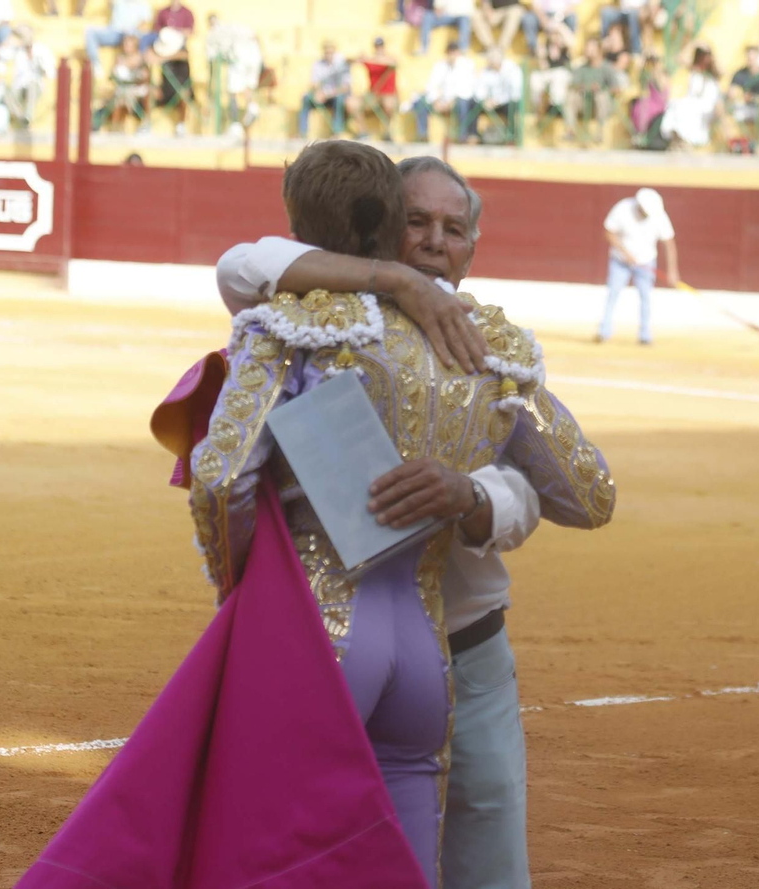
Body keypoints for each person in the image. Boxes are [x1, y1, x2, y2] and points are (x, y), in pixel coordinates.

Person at [212, 155, 563, 889]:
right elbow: (249, 260)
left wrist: (472, 494)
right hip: (413, 633)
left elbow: (223, 476)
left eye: (454, 228)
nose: (435, 241)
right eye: (416, 222)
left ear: (473, 245)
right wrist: (395, 281)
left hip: (448, 637)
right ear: (378, 227)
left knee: (460, 835)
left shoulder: (319, 324)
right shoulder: (476, 346)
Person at [597, 187, 678, 345]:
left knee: (645, 296)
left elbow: (669, 244)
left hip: (646, 262)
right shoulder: (623, 208)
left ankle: (645, 335)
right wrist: (625, 252)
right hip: (620, 261)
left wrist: (673, 271)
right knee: (613, 294)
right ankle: (604, 331)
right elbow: (608, 232)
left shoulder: (659, 216)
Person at [204, 13, 261, 135]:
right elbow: (255, 36)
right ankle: (252, 107)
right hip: (254, 56)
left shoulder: (213, 35)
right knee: (247, 87)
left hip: (238, 59)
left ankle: (235, 124)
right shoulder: (233, 26)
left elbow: (211, 58)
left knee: (232, 92)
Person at [659, 42, 720, 149]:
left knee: (686, 108)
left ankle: (685, 139)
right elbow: (678, 58)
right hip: (692, 101)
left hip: (706, 105)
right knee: (675, 105)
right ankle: (678, 138)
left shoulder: (714, 72)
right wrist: (694, 43)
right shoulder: (693, 69)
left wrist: (710, 50)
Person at [411, 42, 476, 142]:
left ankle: (462, 136)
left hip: (457, 100)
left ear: (458, 53)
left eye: (454, 52)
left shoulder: (467, 65)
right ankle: (422, 134)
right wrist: (436, 99)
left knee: (464, 103)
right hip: (441, 100)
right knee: (420, 102)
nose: (452, 55)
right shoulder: (440, 65)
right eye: (450, 52)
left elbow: (467, 89)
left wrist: (452, 101)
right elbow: (432, 85)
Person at [568, 36, 619, 145]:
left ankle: (599, 133)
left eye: (591, 47)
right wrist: (582, 87)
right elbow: (572, 85)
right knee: (571, 96)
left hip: (600, 105)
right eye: (587, 47)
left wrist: (601, 88)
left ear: (599, 50)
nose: (587, 50)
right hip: (585, 103)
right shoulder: (581, 68)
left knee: (601, 96)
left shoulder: (607, 68)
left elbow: (616, 89)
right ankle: (570, 131)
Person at [0, 24, 52, 129]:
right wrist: (9, 39)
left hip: (35, 86)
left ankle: (28, 115)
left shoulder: (41, 50)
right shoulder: (17, 49)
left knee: (32, 85)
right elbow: (3, 55)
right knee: (5, 93)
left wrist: (34, 60)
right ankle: (22, 118)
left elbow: (49, 72)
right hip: (18, 87)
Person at [466, 46, 522, 144]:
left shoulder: (512, 69)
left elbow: (515, 92)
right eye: (489, 57)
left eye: (493, 56)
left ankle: (512, 136)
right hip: (489, 103)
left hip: (506, 101)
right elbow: (479, 89)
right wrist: (485, 100)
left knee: (510, 107)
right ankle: (473, 135)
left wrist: (498, 101)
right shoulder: (485, 71)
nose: (490, 59)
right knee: (472, 103)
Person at [347, 36, 399, 140]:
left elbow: (395, 63)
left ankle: (387, 131)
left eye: (381, 46)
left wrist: (372, 59)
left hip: (388, 94)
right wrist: (360, 57)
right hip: (373, 95)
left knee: (389, 103)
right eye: (377, 46)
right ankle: (363, 131)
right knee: (351, 102)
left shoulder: (389, 58)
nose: (379, 49)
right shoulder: (370, 60)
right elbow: (349, 61)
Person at [299, 39, 351, 137]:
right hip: (321, 95)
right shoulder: (318, 64)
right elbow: (314, 83)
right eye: (326, 51)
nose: (328, 54)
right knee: (306, 98)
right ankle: (303, 132)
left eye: (330, 51)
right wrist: (318, 92)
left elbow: (345, 87)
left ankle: (337, 131)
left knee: (339, 99)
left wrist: (327, 94)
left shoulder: (342, 64)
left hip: (334, 96)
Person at [83, 0, 150, 77]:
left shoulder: (143, 4)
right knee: (90, 32)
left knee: (131, 39)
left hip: (132, 34)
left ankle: (129, 70)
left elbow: (144, 25)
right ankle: (96, 65)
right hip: (114, 33)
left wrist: (132, 32)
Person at [529, 29, 573, 139]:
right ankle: (539, 105)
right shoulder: (546, 48)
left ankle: (556, 103)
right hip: (549, 74)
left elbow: (572, 42)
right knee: (535, 77)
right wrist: (542, 56)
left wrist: (559, 28)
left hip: (561, 74)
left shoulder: (565, 48)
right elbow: (543, 68)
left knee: (559, 76)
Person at [149, 26, 191, 136]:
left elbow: (183, 55)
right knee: (150, 93)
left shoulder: (182, 52)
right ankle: (146, 123)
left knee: (184, 94)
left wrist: (163, 57)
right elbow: (148, 56)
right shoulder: (159, 53)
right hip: (165, 89)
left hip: (181, 88)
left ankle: (181, 125)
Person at [108, 32, 150, 131]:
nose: (126, 46)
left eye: (129, 44)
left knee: (146, 94)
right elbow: (113, 76)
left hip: (136, 89)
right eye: (125, 44)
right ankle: (116, 127)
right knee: (120, 97)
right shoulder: (119, 58)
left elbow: (146, 77)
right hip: (122, 89)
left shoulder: (141, 58)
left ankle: (146, 123)